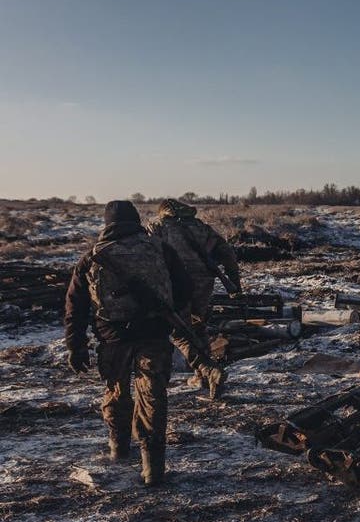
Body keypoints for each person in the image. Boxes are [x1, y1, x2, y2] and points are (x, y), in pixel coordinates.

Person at [64, 200, 194, 486]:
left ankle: (119, 449)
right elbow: (186, 289)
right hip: (154, 336)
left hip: (113, 339)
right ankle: (153, 469)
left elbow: (75, 305)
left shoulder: (93, 256)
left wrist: (76, 345)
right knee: (152, 397)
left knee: (117, 392)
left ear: (107, 223)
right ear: (136, 219)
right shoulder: (160, 249)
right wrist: (164, 313)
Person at [147, 198, 241, 399]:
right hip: (203, 283)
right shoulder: (200, 227)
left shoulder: (158, 226)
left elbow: (150, 255)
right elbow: (226, 252)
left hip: (174, 283)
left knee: (177, 329)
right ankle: (203, 376)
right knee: (198, 326)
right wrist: (234, 281)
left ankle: (207, 370)